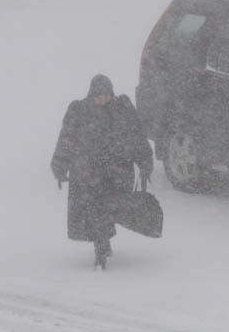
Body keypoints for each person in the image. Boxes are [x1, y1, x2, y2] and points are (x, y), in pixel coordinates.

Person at [51, 74, 153, 270]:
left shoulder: (122, 109)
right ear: (91, 95)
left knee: (108, 210)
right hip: (88, 174)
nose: (102, 99)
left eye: (106, 95)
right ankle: (101, 253)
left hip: (118, 173)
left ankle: (104, 243)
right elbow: (66, 139)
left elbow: (137, 136)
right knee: (96, 210)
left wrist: (145, 161)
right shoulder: (79, 111)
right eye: (98, 96)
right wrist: (60, 165)